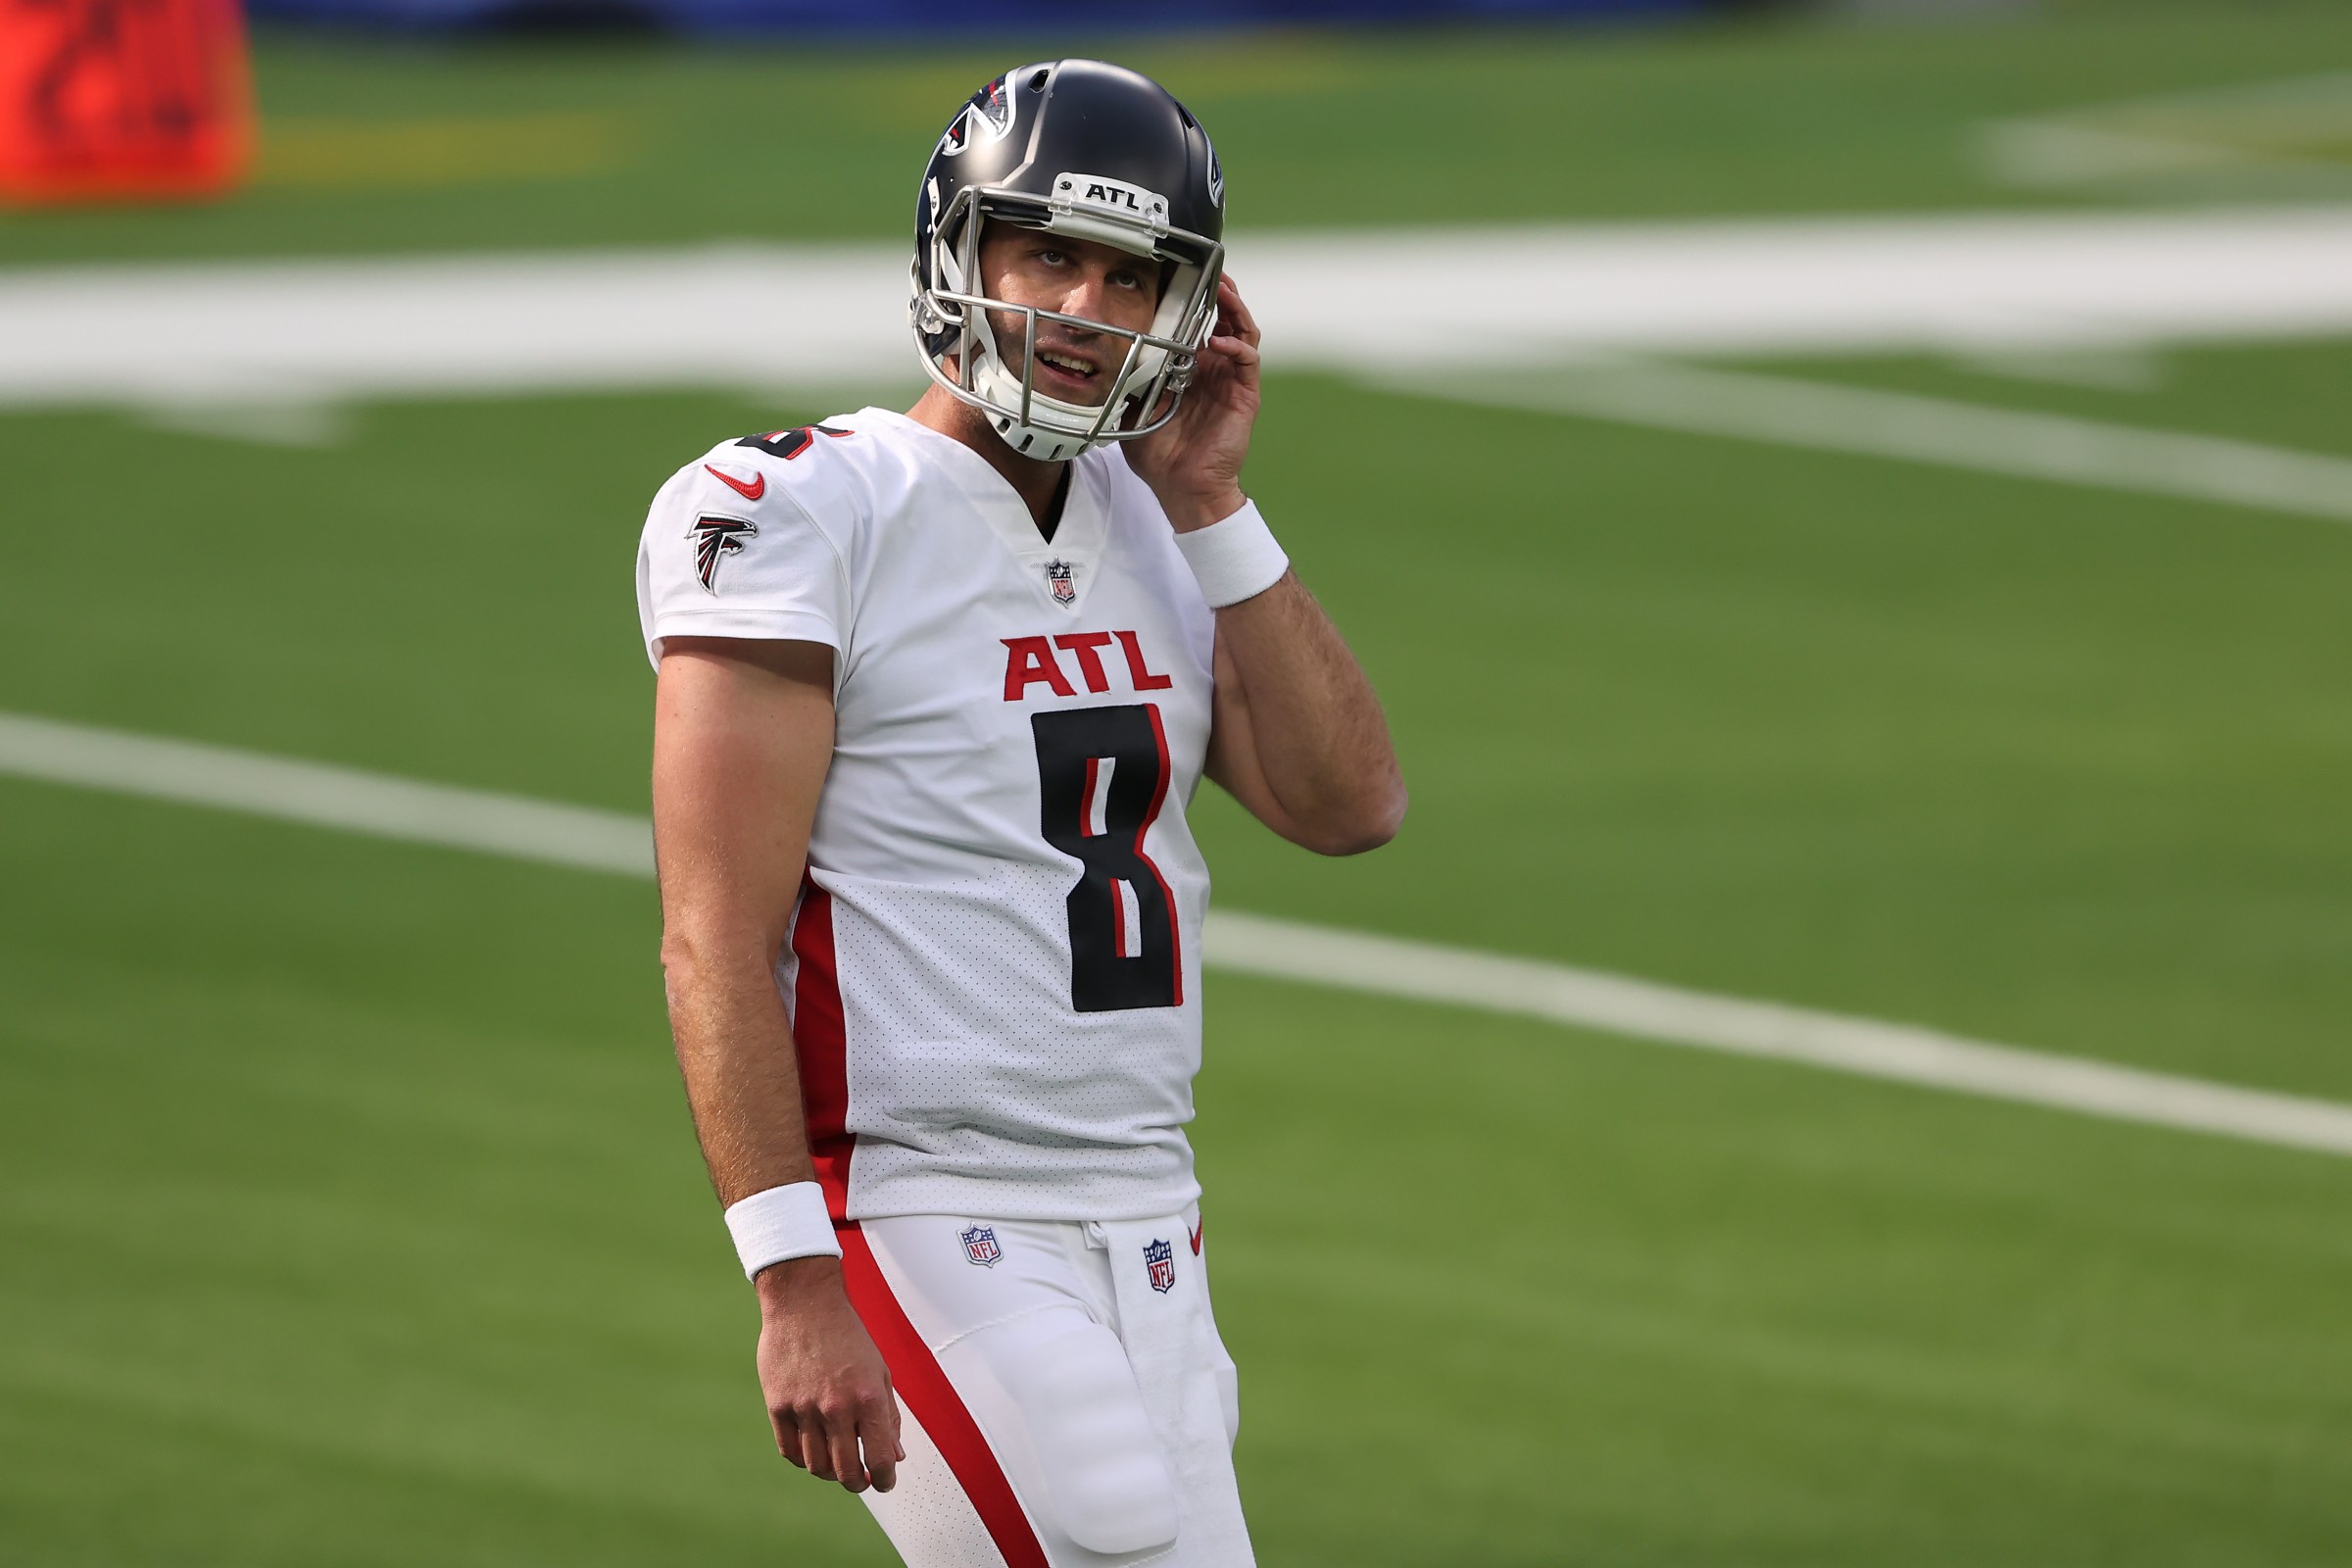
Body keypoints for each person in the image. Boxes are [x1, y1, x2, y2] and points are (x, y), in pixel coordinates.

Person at [635, 58, 1404, 1568]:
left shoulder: (1163, 517)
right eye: (1049, 251)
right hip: (921, 1202)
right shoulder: (804, 509)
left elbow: (1350, 805)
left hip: (1150, 1210)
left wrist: (1216, 506)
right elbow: (711, 933)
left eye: (1133, 276)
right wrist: (791, 1277)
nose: (1086, 309)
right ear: (961, 250)